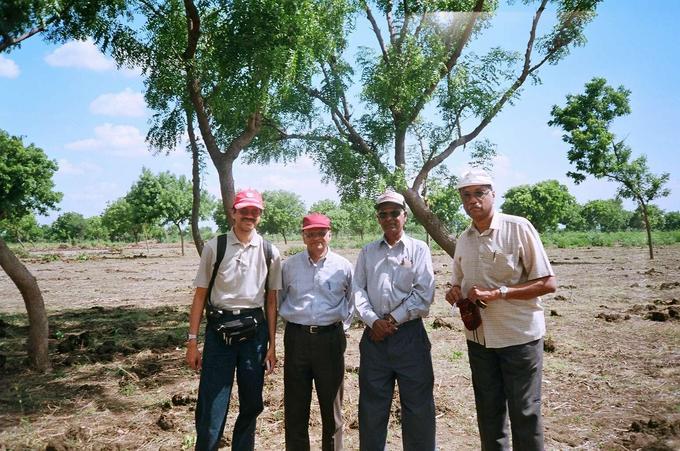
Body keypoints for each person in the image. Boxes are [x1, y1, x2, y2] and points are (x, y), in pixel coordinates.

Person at [445, 169, 556, 451]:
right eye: (466, 195)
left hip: (519, 338)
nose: (472, 200)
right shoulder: (464, 238)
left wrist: (499, 293)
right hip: (479, 340)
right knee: (489, 414)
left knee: (525, 413)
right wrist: (454, 292)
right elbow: (457, 282)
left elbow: (547, 282)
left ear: (493, 194)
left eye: (479, 193)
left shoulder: (518, 228)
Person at [185, 188, 282, 451]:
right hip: (219, 333)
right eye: (244, 210)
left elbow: (271, 302)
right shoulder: (215, 247)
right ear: (233, 212)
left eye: (255, 211)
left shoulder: (270, 252)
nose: (249, 215)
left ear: (260, 215)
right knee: (212, 403)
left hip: (255, 334)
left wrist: (273, 346)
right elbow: (200, 296)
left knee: (252, 403)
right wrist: (192, 342)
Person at [353, 189, 436, 451]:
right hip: (374, 339)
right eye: (383, 214)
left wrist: (391, 320)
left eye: (395, 213)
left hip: (410, 337)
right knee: (372, 409)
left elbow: (424, 294)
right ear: (378, 218)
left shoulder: (419, 249)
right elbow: (357, 290)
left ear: (405, 215)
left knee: (418, 408)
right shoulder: (367, 252)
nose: (389, 218)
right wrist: (372, 321)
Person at [279, 212, 354, 451]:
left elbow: (351, 302)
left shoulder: (343, 266)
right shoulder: (288, 266)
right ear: (303, 236)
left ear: (329, 234)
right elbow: (278, 300)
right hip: (297, 340)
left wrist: (340, 330)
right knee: (295, 408)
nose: (316, 238)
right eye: (310, 234)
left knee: (332, 410)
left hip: (330, 340)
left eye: (321, 233)